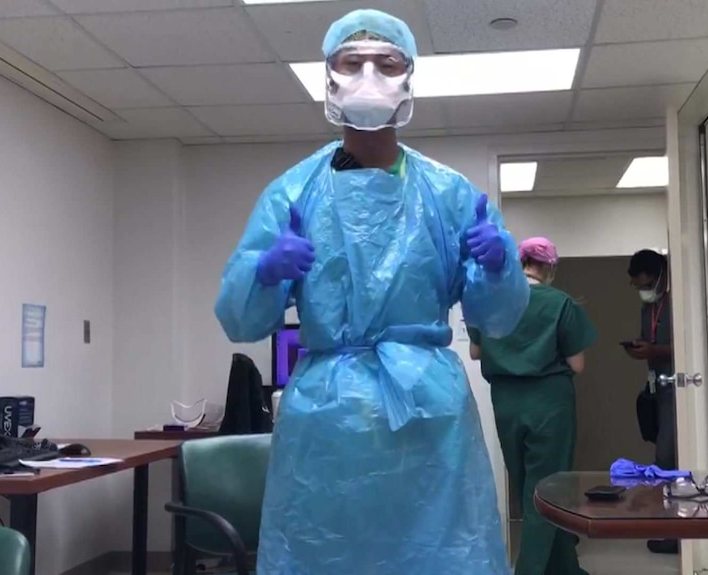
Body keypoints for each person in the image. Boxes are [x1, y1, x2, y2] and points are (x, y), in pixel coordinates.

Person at [215, 9, 530, 575]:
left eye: (386, 64)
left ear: (409, 79)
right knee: (324, 554)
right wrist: (264, 271)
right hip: (326, 424)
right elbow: (240, 320)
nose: (368, 75)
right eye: (350, 62)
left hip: (428, 421)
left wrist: (500, 267)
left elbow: (498, 320)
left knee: (436, 553)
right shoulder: (294, 192)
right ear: (328, 77)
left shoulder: (447, 193)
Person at [468, 237, 596, 575]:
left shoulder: (492, 301)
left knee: (527, 486)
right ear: (549, 267)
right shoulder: (561, 304)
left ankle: (565, 568)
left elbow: (475, 352)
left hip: (506, 402)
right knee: (548, 491)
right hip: (549, 404)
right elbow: (578, 364)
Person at [624, 249, 677, 555]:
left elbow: (686, 346)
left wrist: (655, 351)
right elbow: (652, 341)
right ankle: (668, 530)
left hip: (677, 388)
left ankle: (674, 535)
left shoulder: (677, 303)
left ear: (660, 276)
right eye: (637, 286)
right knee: (662, 454)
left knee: (667, 458)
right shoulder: (650, 308)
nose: (642, 291)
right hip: (658, 389)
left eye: (644, 284)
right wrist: (642, 349)